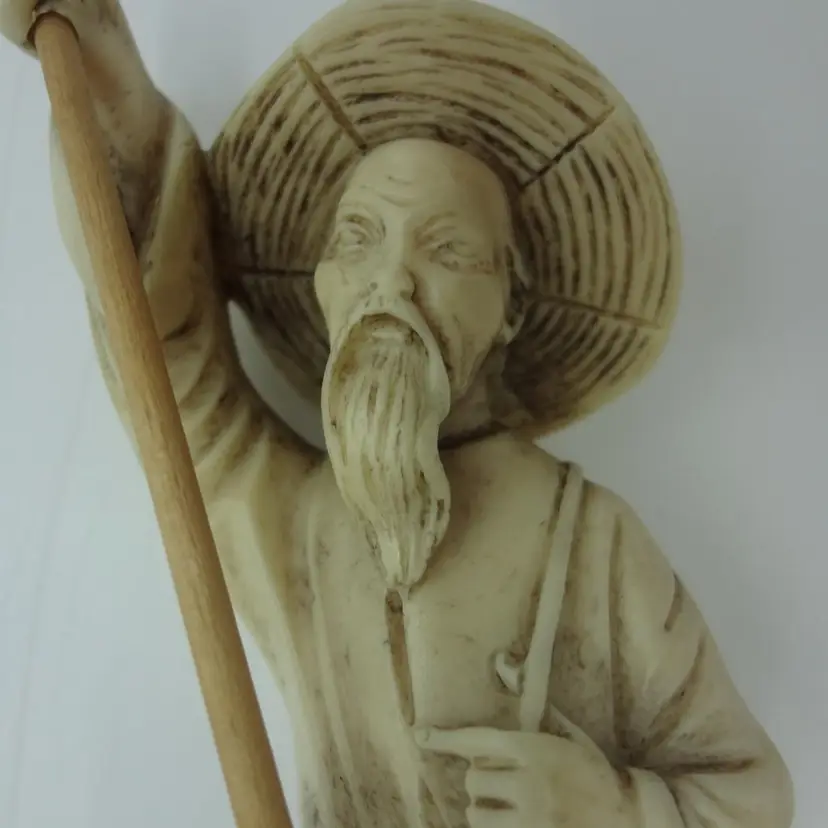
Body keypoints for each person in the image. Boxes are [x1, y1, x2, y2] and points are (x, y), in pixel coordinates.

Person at [0, 1, 794, 826]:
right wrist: (107, 77)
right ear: (322, 286)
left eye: (446, 250)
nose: (390, 282)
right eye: (357, 239)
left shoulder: (591, 542)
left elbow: (753, 797)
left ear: (512, 304)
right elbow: (162, 346)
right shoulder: (294, 522)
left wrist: (606, 806)